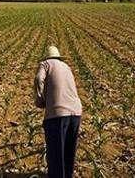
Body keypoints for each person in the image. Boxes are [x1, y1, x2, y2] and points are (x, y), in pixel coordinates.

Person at [34, 45, 82, 178]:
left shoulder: (45, 64)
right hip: (76, 112)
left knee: (55, 154)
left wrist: (40, 99)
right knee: (68, 152)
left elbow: (39, 79)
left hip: (57, 114)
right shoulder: (66, 67)